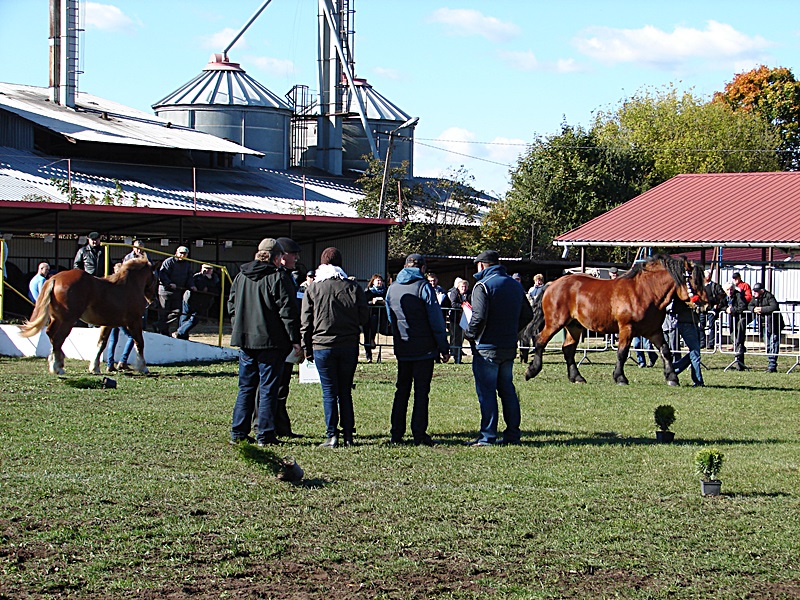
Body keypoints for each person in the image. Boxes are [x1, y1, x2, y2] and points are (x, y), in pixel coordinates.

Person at [228, 238, 301, 447]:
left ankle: (238, 432)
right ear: (277, 258)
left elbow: (231, 306)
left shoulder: (241, 276)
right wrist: (295, 339)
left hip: (246, 340)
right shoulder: (277, 277)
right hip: (271, 342)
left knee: (246, 387)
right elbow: (287, 311)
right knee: (268, 388)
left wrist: (239, 327)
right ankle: (265, 433)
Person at [301, 247, 369, 448]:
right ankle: (348, 434)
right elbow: (364, 317)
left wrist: (306, 348)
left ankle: (332, 435)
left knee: (329, 391)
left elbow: (305, 322)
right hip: (348, 344)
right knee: (345, 391)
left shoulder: (313, 289)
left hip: (322, 345)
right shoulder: (353, 287)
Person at [463, 250, 532, 446]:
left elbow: (478, 317)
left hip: (487, 346)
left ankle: (487, 436)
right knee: (507, 391)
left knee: (487, 393)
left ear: (481, 265)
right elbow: (527, 314)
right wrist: (512, 331)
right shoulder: (515, 285)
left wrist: (469, 334)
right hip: (508, 345)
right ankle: (512, 434)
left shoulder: (482, 285)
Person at [385, 254, 450, 446]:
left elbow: (390, 318)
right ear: (422, 268)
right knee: (421, 392)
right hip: (424, 348)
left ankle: (396, 433)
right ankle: (419, 434)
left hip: (403, 346)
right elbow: (436, 320)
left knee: (401, 391)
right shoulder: (424, 287)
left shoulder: (392, 288)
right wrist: (443, 347)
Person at [273, 236, 305, 438]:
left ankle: (281, 426)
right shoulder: (281, 278)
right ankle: (276, 426)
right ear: (282, 256)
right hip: (281, 339)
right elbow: (287, 311)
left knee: (281, 385)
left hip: (282, 338)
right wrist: (295, 339)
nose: (296, 258)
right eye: (293, 254)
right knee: (279, 385)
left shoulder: (288, 276)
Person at [154, 246, 195, 336]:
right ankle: (162, 331)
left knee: (177, 312)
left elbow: (189, 276)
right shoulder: (169, 262)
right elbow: (163, 274)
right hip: (165, 292)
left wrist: (191, 285)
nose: (182, 255)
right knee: (163, 312)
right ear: (176, 253)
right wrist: (169, 283)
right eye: (181, 253)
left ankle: (159, 326)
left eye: (185, 254)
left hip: (178, 291)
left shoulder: (187, 264)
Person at [173, 264, 220, 340]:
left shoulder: (215, 279)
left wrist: (208, 282)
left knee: (194, 320)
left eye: (209, 269)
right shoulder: (196, 277)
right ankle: (182, 336)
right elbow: (197, 287)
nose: (206, 271)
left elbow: (216, 290)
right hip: (189, 300)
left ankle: (179, 332)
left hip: (203, 303)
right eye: (205, 269)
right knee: (184, 318)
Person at [106, 262, 137, 372]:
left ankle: (110, 363)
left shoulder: (109, 282)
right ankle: (123, 361)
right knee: (132, 336)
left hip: (111, 314)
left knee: (113, 339)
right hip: (120, 315)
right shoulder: (124, 284)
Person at [670, 295, 705, 387]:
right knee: (695, 353)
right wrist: (690, 304)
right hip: (686, 324)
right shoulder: (681, 295)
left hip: (693, 323)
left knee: (694, 353)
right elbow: (676, 308)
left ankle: (674, 368)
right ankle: (698, 380)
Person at [749, 282, 784, 373]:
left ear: (762, 291)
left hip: (773, 324)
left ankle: (772, 365)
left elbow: (774, 307)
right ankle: (771, 363)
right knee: (768, 344)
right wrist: (754, 309)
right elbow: (749, 305)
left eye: (756, 291)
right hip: (763, 325)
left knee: (773, 343)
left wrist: (761, 309)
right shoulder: (755, 298)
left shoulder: (769, 296)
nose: (754, 293)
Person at [363, 273, 387, 362]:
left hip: (381, 317)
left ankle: (372, 340)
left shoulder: (385, 291)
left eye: (381, 280)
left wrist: (383, 302)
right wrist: (371, 302)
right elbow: (364, 302)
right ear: (373, 282)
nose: (379, 282)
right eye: (377, 280)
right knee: (367, 335)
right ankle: (368, 356)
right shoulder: (368, 292)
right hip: (368, 316)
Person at [447, 277, 471, 363]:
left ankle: (459, 357)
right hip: (455, 319)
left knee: (462, 338)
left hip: (466, 319)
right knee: (455, 338)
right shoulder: (454, 293)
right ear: (458, 287)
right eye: (462, 286)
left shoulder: (469, 293)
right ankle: (456, 357)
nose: (464, 288)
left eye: (465, 286)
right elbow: (453, 304)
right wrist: (462, 306)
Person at [700, 269, 725, 349]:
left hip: (712, 309)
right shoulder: (701, 286)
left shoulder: (715, 286)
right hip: (703, 309)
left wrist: (717, 304)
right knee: (701, 326)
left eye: (708, 276)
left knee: (712, 326)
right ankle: (702, 342)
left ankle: (711, 343)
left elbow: (722, 296)